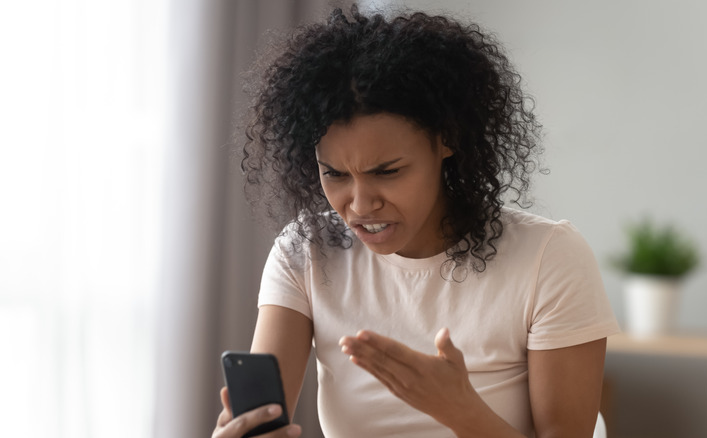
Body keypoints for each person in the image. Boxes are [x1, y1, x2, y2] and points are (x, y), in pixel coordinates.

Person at [213, 5, 620, 438]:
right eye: (334, 174)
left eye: (387, 172)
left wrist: (462, 412)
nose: (360, 204)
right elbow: (264, 420)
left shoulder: (547, 258)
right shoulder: (306, 252)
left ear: (448, 140)